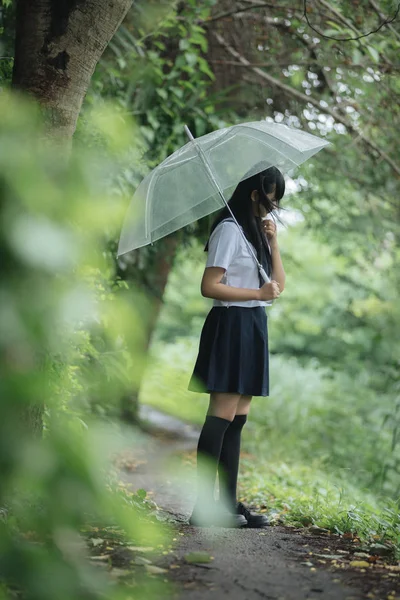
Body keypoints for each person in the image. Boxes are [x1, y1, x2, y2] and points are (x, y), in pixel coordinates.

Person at [187, 165, 286, 528]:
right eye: (271, 200)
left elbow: (278, 286)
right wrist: (256, 293)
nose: (273, 208)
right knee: (221, 416)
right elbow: (209, 286)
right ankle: (203, 508)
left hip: (253, 323)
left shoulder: (255, 233)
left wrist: (273, 243)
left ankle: (227, 506)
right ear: (254, 194)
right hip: (231, 323)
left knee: (237, 420)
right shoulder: (228, 230)